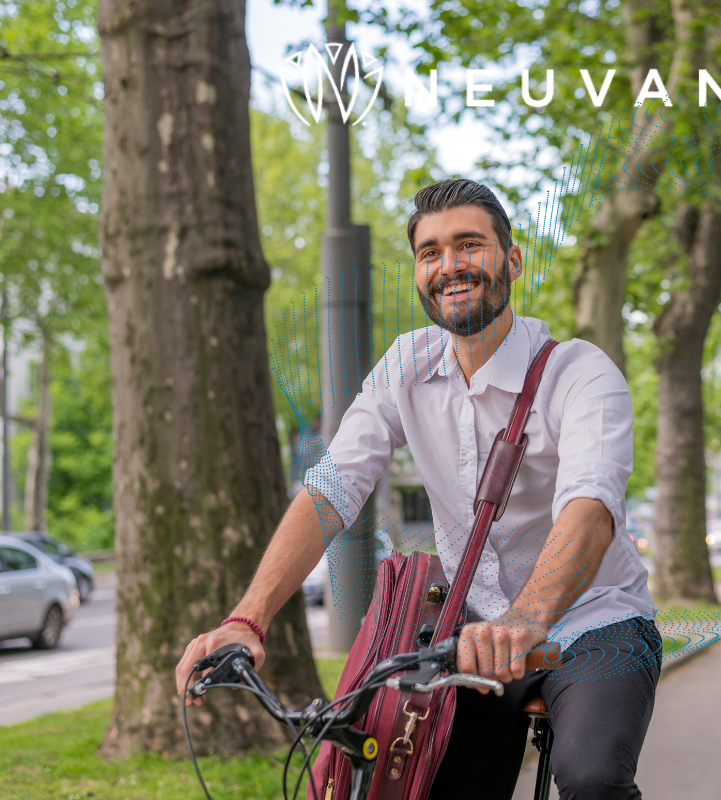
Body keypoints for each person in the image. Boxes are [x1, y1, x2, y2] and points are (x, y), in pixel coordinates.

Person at [174, 178, 661, 800]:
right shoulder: (407, 363)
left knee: (592, 780)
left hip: (596, 622)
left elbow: (589, 510)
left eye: (468, 246)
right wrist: (248, 620)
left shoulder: (580, 372)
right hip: (471, 631)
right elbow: (332, 488)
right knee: (408, 782)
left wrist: (524, 620)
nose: (449, 266)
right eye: (430, 253)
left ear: (511, 260)